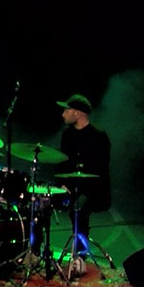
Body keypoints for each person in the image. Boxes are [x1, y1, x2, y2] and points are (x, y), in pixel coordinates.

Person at [57, 94, 111, 262]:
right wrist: (62, 185)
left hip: (95, 191)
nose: (63, 114)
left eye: (66, 110)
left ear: (78, 113)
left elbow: (100, 171)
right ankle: (35, 251)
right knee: (39, 202)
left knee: (78, 208)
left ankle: (80, 256)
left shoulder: (99, 136)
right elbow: (62, 164)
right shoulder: (67, 135)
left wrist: (79, 188)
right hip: (72, 188)